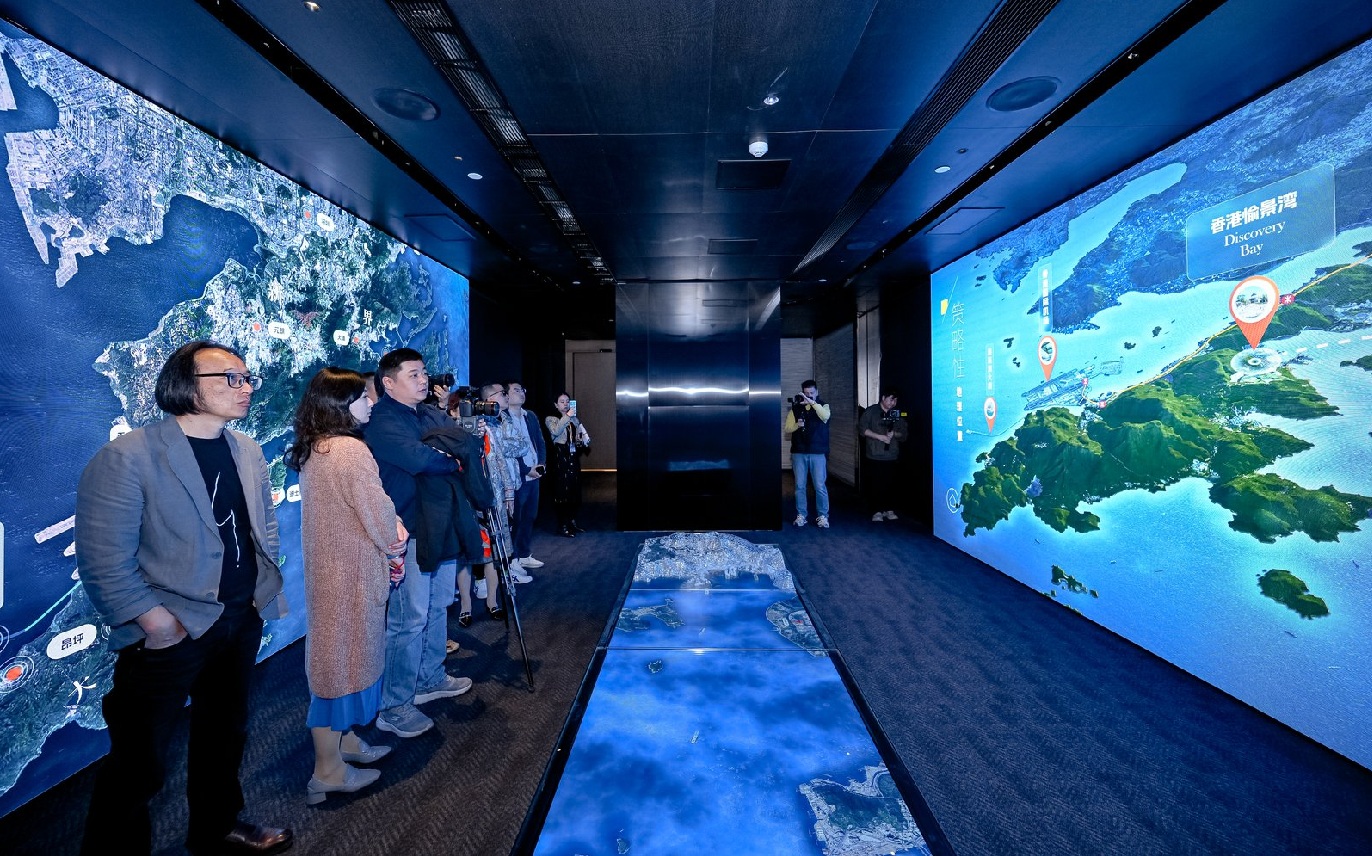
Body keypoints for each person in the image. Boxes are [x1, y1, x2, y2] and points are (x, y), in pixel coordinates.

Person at [75, 340, 292, 855]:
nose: (246, 388)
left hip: (239, 619)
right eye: (231, 378)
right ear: (186, 386)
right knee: (139, 762)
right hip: (169, 633)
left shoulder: (247, 449)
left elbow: (261, 526)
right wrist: (155, 622)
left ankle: (217, 828)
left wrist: (257, 596)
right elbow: (104, 560)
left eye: (248, 378)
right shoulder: (128, 456)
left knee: (224, 733)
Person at [286, 367, 408, 805]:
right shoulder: (349, 450)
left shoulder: (317, 446)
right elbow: (377, 510)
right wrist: (396, 540)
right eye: (362, 397)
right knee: (339, 669)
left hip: (332, 570)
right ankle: (328, 769)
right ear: (340, 404)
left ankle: (346, 743)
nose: (370, 403)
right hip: (352, 572)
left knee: (339, 660)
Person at [363, 348, 473, 740]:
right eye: (413, 374)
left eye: (424, 372)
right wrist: (450, 458)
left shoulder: (425, 413)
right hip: (407, 530)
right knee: (408, 618)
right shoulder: (382, 421)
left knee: (439, 604)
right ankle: (394, 705)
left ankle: (430, 677)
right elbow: (422, 459)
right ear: (388, 383)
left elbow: (461, 442)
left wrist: (450, 452)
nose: (423, 380)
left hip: (439, 524)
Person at [444, 394, 507, 624]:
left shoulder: (487, 432)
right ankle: (466, 606)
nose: (468, 415)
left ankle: (493, 602)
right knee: (465, 558)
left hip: (486, 499)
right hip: (462, 502)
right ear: (452, 412)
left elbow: (498, 462)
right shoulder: (448, 436)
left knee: (491, 556)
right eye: (462, 409)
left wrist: (506, 493)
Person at [500, 380, 547, 573]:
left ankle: (525, 554)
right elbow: (508, 450)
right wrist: (526, 469)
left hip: (535, 475)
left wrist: (542, 464)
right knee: (515, 518)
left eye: (522, 389)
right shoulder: (503, 418)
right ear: (506, 395)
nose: (521, 393)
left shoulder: (530, 416)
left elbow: (540, 442)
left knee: (530, 516)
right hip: (518, 477)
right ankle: (513, 559)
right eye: (516, 390)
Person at [784, 379, 831, 529]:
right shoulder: (796, 409)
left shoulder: (823, 405)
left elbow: (825, 416)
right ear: (802, 393)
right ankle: (801, 515)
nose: (809, 395)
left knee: (819, 486)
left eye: (811, 393)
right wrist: (797, 425)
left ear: (817, 392)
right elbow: (787, 428)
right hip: (799, 452)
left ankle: (823, 516)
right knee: (800, 485)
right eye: (806, 393)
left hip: (817, 452)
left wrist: (813, 403)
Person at [859, 388, 908, 522]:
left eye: (895, 400)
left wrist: (894, 434)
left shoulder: (896, 413)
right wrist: (879, 437)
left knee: (891, 483)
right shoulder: (871, 411)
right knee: (876, 483)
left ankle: (889, 509)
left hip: (892, 455)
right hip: (875, 454)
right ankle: (876, 510)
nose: (893, 403)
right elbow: (862, 429)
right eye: (891, 399)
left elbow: (904, 434)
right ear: (883, 398)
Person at [545, 393, 591, 536]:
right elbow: (555, 431)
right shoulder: (551, 419)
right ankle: (562, 524)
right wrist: (567, 417)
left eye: (567, 401)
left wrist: (582, 440)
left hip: (572, 455)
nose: (565, 404)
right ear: (556, 405)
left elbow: (577, 435)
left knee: (574, 490)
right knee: (562, 491)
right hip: (560, 456)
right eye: (562, 402)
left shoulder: (574, 419)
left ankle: (572, 521)